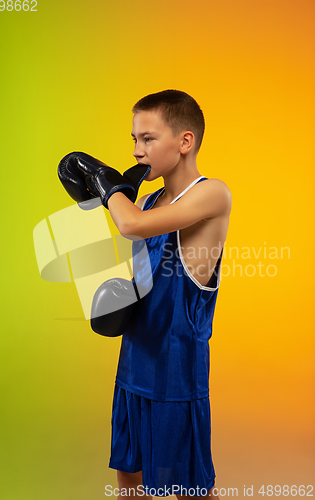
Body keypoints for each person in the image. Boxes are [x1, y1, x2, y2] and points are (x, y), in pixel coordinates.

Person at [102, 90, 232, 499]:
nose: (138, 150)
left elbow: (131, 226)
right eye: (134, 139)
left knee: (187, 486)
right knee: (129, 471)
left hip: (175, 372)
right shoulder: (148, 200)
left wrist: (107, 191)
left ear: (185, 141)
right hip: (135, 359)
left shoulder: (212, 194)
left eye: (148, 139)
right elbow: (139, 271)